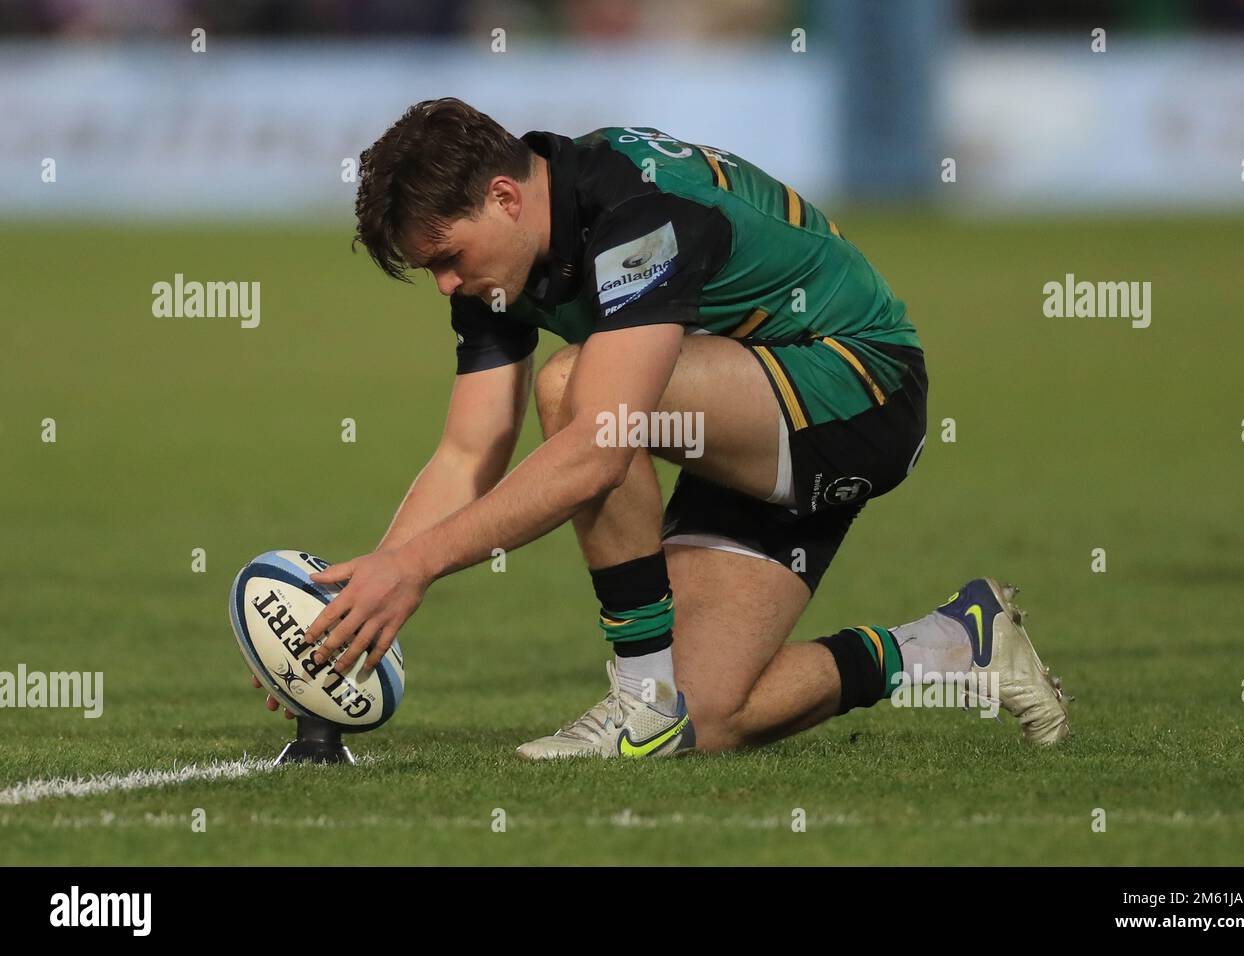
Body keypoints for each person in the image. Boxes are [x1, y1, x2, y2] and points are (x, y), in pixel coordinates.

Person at [254, 98, 1070, 757]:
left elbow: (601, 450)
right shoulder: (500, 261)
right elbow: (469, 451)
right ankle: (951, 645)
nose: (446, 286)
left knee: (578, 390)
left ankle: (639, 704)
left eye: (448, 257)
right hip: (743, 420)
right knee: (710, 716)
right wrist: (351, 614)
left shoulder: (637, 213)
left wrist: (422, 565)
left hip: (860, 392)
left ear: (504, 197)